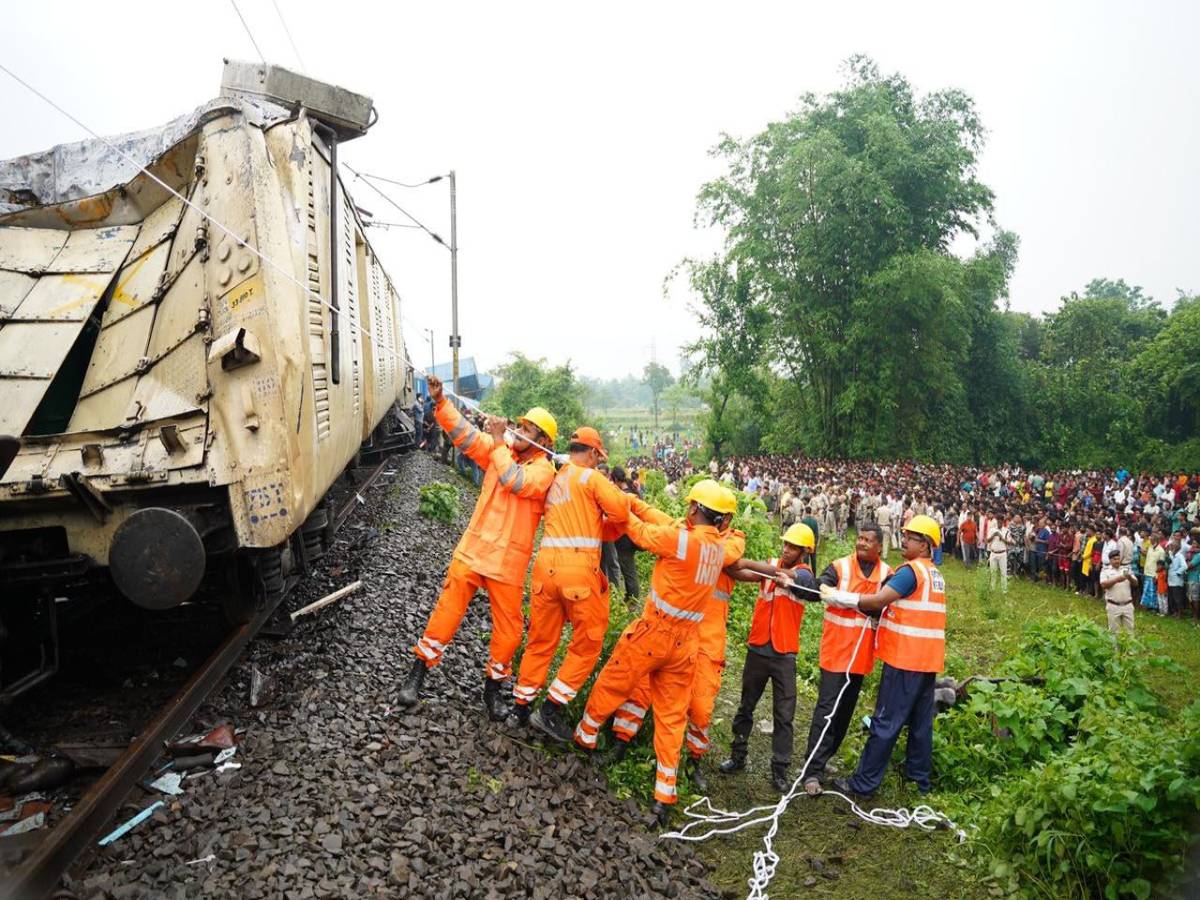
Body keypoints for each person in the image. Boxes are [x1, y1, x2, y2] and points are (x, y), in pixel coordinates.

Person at [574, 480, 743, 825]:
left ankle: (584, 738)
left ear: (695, 509)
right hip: (686, 646)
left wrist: (618, 504)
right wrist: (634, 502)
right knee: (671, 719)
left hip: (654, 632)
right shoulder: (718, 549)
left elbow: (637, 530)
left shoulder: (678, 540)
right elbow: (659, 520)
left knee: (613, 683)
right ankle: (664, 796)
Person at [397, 375, 557, 719]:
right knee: (445, 614)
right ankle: (418, 672)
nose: (520, 431)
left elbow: (515, 481)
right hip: (473, 551)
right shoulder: (504, 449)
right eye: (521, 425)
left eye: (527, 429)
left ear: (543, 441)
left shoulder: (543, 471)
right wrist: (441, 403)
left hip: (508, 564)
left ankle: (493, 690)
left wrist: (500, 441)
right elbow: (465, 437)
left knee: (509, 632)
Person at [509, 428, 641, 740]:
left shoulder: (555, 478)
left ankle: (520, 709)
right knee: (587, 644)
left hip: (544, 570)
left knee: (540, 643)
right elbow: (620, 512)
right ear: (593, 453)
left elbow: (591, 528)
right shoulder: (591, 478)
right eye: (599, 457)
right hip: (577, 572)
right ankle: (550, 710)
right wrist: (624, 497)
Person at [823, 515, 945, 798]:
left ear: (925, 545)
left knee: (886, 722)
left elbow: (878, 601)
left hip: (905, 659)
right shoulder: (934, 575)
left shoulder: (910, 572)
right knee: (920, 723)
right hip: (927, 661)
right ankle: (918, 781)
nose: (904, 541)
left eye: (911, 538)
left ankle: (863, 784)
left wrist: (841, 597)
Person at [718, 523, 817, 793]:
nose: (786, 549)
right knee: (745, 706)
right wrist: (732, 559)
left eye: (793, 547)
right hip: (759, 648)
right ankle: (738, 756)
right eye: (785, 544)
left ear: (805, 552)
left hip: (784, 653)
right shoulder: (772, 565)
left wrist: (756, 565)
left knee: (784, 715)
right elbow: (737, 571)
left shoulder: (805, 574)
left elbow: (803, 584)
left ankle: (780, 770)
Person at [796, 523, 892, 795]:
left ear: (879, 546)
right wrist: (861, 602)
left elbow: (884, 605)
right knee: (826, 711)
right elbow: (822, 591)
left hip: (861, 657)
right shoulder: (839, 567)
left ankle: (823, 758)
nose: (861, 543)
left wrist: (849, 600)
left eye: (867, 540)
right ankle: (811, 771)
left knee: (844, 714)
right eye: (859, 538)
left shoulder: (887, 573)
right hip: (836, 652)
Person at [1099, 549, 1137, 634]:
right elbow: (1103, 585)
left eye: (1118, 559)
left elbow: (1135, 583)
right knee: (1114, 632)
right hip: (1113, 605)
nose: (1117, 561)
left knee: (1130, 631)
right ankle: (1115, 647)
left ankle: (1129, 648)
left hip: (1128, 605)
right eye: (1114, 559)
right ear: (1110, 560)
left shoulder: (1126, 569)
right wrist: (1116, 580)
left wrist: (1129, 577)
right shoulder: (1105, 571)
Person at [986, 514, 1011, 593]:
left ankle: (1004, 590)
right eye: (998, 521)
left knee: (1003, 572)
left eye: (1000, 521)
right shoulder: (992, 530)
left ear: (1003, 522)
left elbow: (1009, 542)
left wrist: (1002, 538)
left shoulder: (1006, 530)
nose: (999, 523)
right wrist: (994, 535)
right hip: (993, 553)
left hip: (1002, 553)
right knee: (993, 572)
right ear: (996, 521)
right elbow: (987, 540)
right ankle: (992, 589)